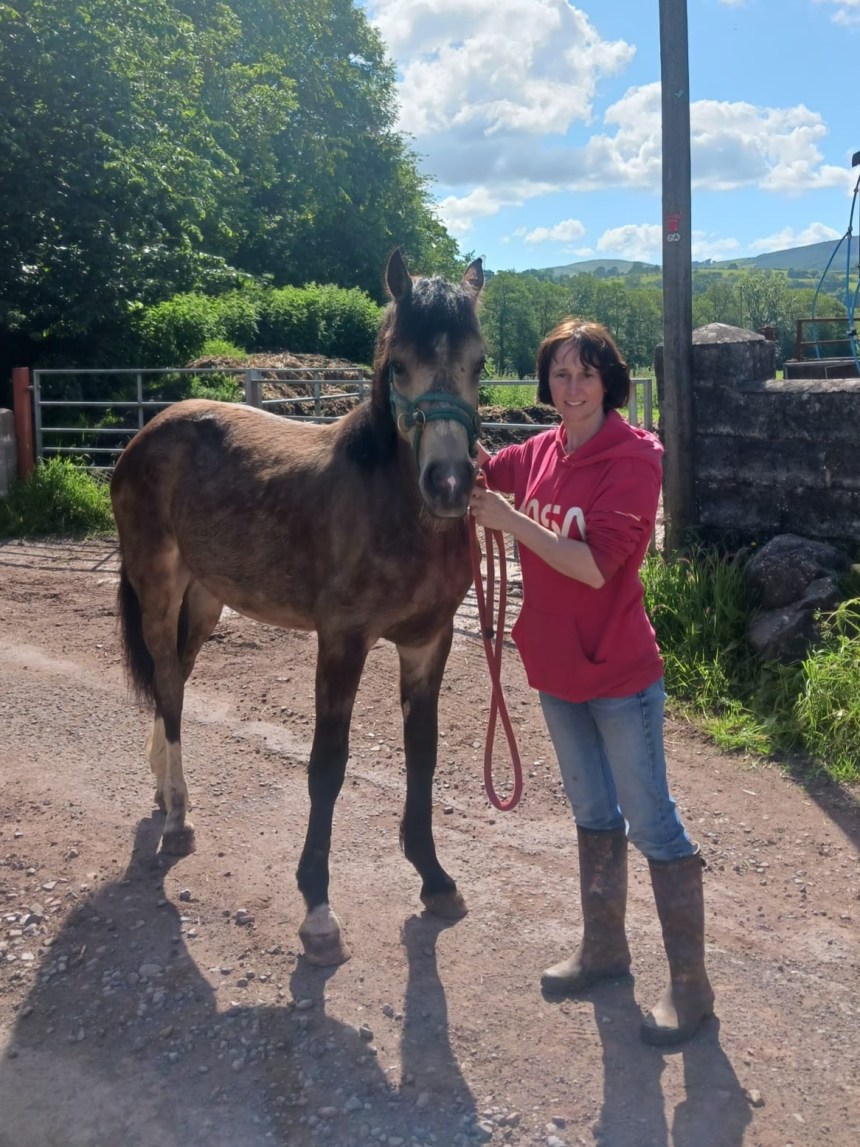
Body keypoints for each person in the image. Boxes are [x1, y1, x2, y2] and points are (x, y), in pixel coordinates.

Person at [469, 318, 714, 1046]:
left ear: (609, 382)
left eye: (584, 374)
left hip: (617, 673)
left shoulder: (632, 459)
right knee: (592, 813)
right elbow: (486, 468)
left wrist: (512, 521)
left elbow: (595, 564)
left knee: (652, 821)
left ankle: (691, 988)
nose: (570, 388)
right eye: (559, 374)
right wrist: (439, 422)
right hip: (554, 666)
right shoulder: (541, 451)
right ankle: (606, 949)